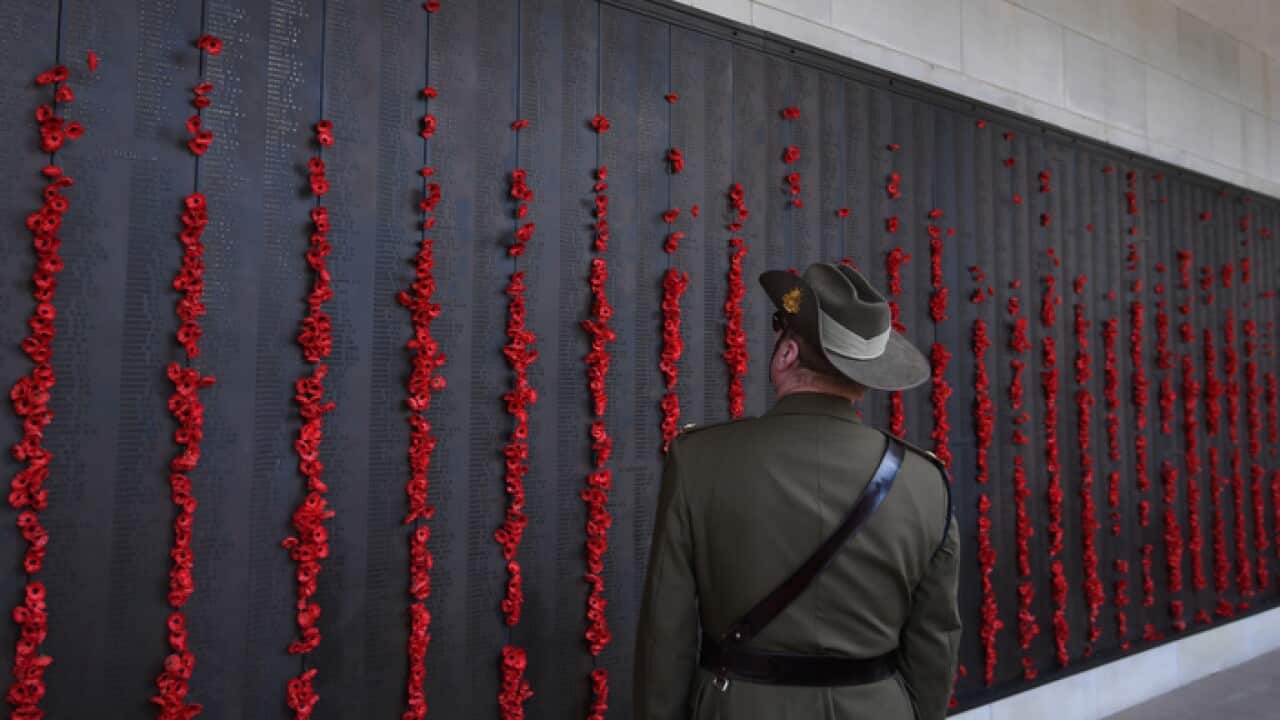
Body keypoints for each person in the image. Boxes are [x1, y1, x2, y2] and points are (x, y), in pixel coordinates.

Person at [634, 262, 960, 720]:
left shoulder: (698, 461)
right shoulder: (925, 481)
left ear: (787, 354)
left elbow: (666, 634)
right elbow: (935, 640)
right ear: (864, 378)